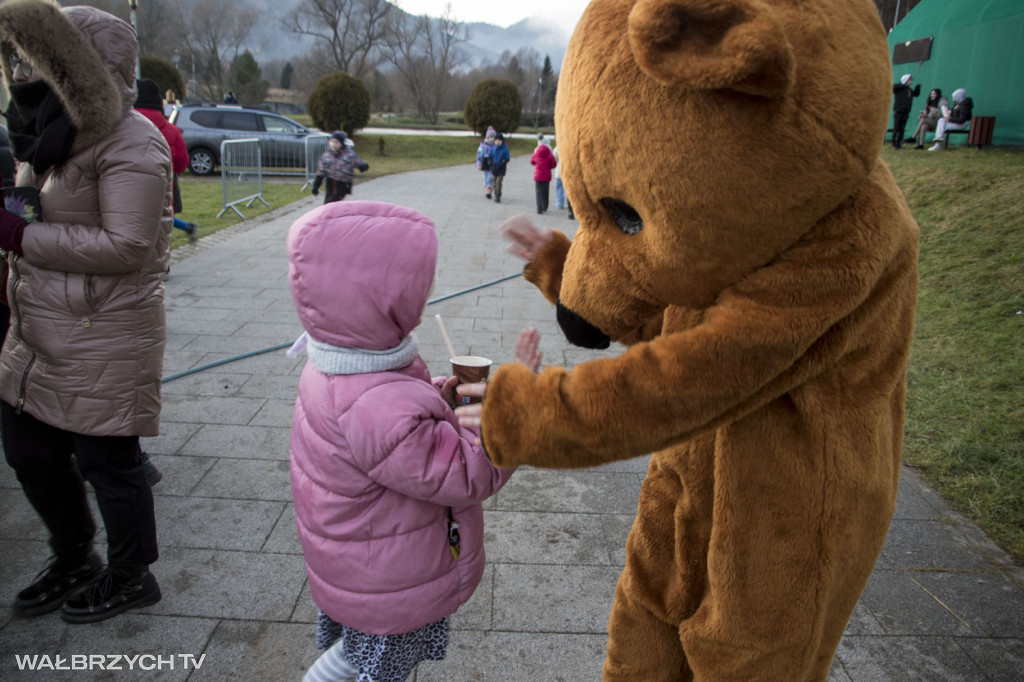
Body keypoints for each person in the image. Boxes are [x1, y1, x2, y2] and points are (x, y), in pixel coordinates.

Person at [285, 200, 526, 682]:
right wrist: (510, 415)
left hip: (366, 562)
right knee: (375, 666)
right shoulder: (374, 401)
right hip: (391, 579)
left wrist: (440, 397)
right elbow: (467, 473)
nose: (428, 288)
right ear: (381, 297)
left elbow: (400, 423)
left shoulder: (344, 358)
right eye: (418, 281)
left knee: (359, 656)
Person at [0, 2, 171, 623]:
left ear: (78, 67)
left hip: (104, 330)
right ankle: (74, 555)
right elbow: (41, 209)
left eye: (38, 60)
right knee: (29, 452)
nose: (22, 72)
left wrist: (20, 237)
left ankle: (131, 575)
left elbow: (129, 246)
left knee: (109, 463)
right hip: (36, 329)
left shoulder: (132, 142)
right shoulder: (50, 129)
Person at [135, 78, 198, 242]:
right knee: (160, 238)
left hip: (123, 195)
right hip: (162, 190)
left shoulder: (119, 127)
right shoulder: (172, 132)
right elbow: (182, 163)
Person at [310, 131, 369, 204]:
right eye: (332, 142)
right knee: (328, 202)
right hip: (330, 182)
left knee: (331, 202)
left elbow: (357, 161)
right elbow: (321, 172)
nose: (334, 144)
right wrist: (316, 186)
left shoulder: (348, 154)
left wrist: (362, 166)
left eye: (336, 142)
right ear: (329, 142)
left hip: (343, 183)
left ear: (341, 144)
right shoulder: (326, 156)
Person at [890, 73, 920, 149]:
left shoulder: (909, 90)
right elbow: (892, 87)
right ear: (905, 80)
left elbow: (915, 94)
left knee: (902, 128)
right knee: (896, 127)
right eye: (909, 80)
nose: (911, 81)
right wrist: (902, 84)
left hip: (906, 111)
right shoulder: (899, 88)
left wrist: (917, 89)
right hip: (899, 110)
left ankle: (899, 143)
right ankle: (893, 143)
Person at [530, 136, 557, 214]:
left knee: (538, 191)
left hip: (537, 175)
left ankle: (539, 207)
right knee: (545, 191)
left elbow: (532, 161)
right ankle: (545, 205)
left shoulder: (536, 152)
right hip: (546, 176)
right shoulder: (549, 153)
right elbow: (553, 164)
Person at [552, 143, 574, 220]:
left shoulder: (557, 148)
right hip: (568, 172)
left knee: (559, 188)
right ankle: (570, 205)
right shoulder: (570, 146)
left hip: (559, 171)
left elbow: (554, 158)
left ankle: (559, 203)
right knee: (568, 189)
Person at [490, 132, 510, 203]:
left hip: (501, 168)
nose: (497, 142)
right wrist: (490, 164)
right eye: (496, 140)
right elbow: (490, 157)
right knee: (494, 182)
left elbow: (507, 158)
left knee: (498, 182)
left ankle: (498, 195)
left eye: (499, 140)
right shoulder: (493, 148)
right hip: (494, 167)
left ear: (502, 141)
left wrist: (502, 163)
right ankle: (496, 193)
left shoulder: (505, 149)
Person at [476, 126, 496, 199]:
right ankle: (488, 189)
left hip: (493, 163)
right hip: (485, 163)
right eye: (490, 137)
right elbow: (479, 155)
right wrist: (479, 163)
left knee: (491, 176)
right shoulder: (483, 146)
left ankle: (490, 187)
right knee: (486, 176)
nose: (492, 138)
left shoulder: (496, 145)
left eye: (493, 137)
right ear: (487, 137)